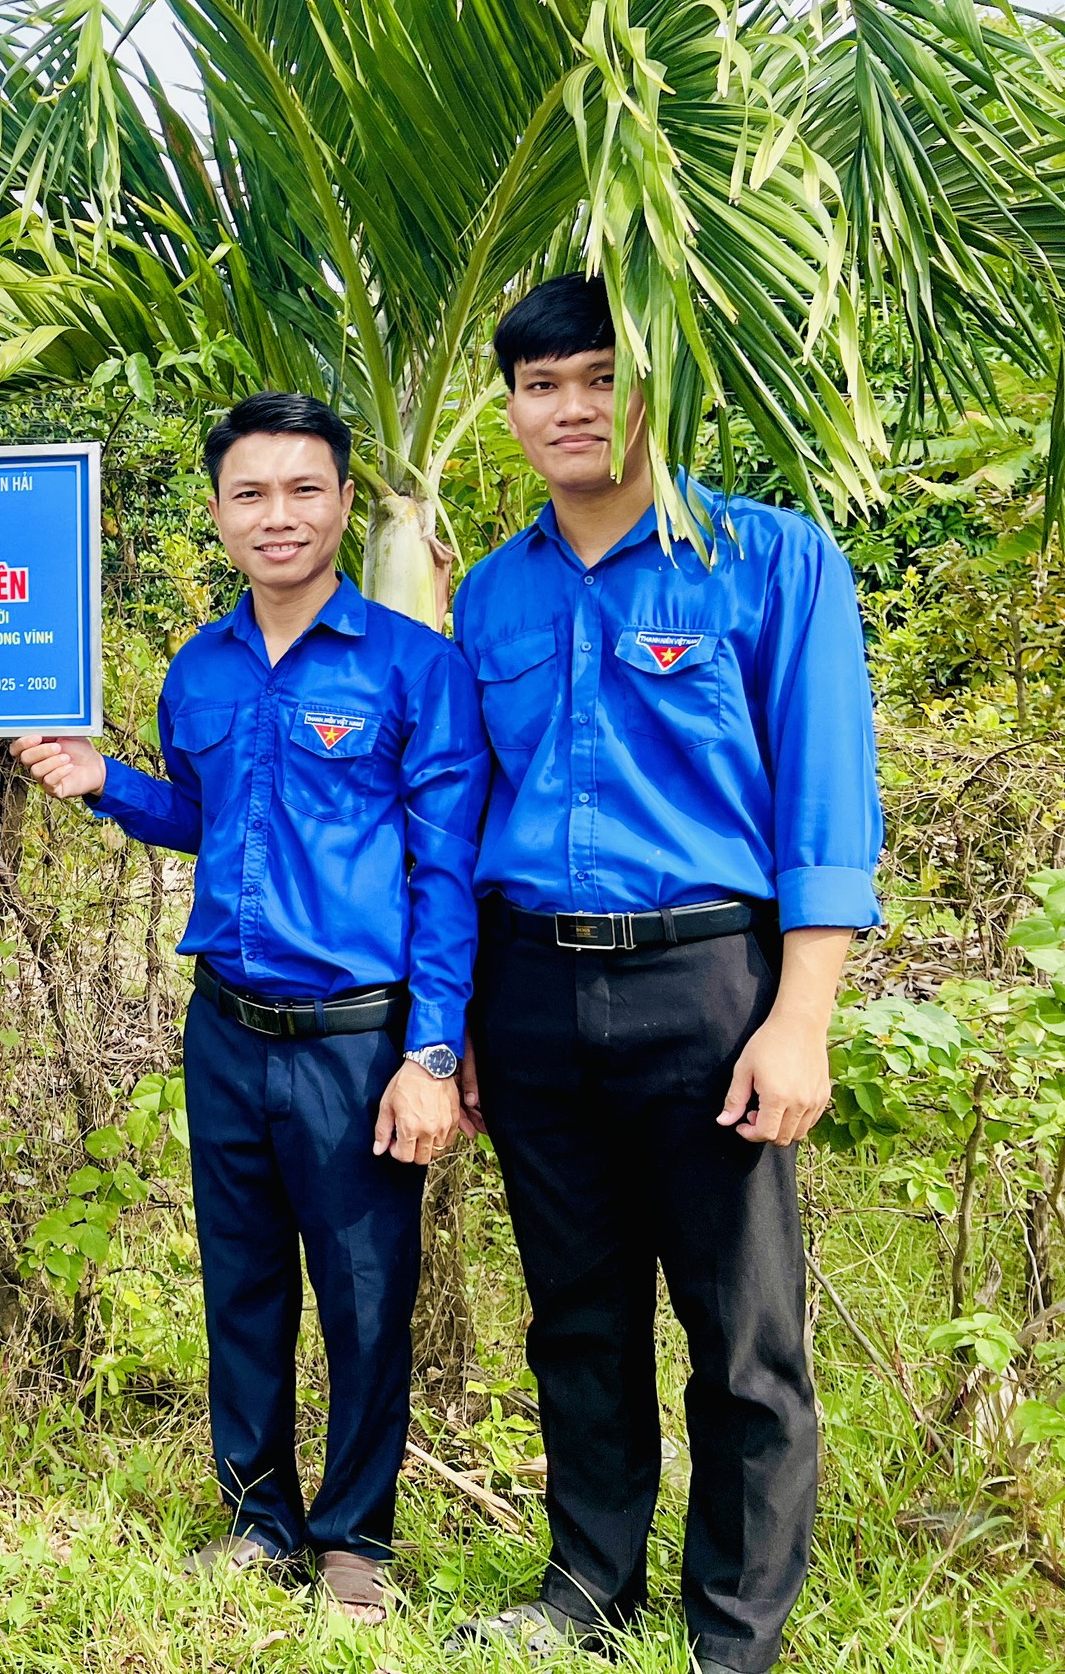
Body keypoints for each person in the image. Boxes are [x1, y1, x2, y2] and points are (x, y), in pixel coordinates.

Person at [442, 276, 881, 1674]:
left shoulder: (770, 559)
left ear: (652, 389)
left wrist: (798, 1021)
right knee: (577, 1313)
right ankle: (586, 1588)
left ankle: (732, 1629)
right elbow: (463, 817)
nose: (571, 409)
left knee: (740, 1332)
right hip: (531, 988)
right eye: (540, 386)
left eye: (597, 378)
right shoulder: (492, 593)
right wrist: (457, 1030)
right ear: (509, 411)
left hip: (709, 986)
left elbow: (825, 807)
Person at [11, 392, 489, 1624]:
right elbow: (206, 817)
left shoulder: (412, 666)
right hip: (223, 1025)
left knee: (365, 1295)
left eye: (302, 490)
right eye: (250, 494)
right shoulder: (199, 665)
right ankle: (258, 1518)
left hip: (356, 1036)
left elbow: (445, 874)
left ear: (339, 502)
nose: (276, 517)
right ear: (219, 513)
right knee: (242, 1284)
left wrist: (431, 1051)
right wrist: (104, 780)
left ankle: (354, 1541)